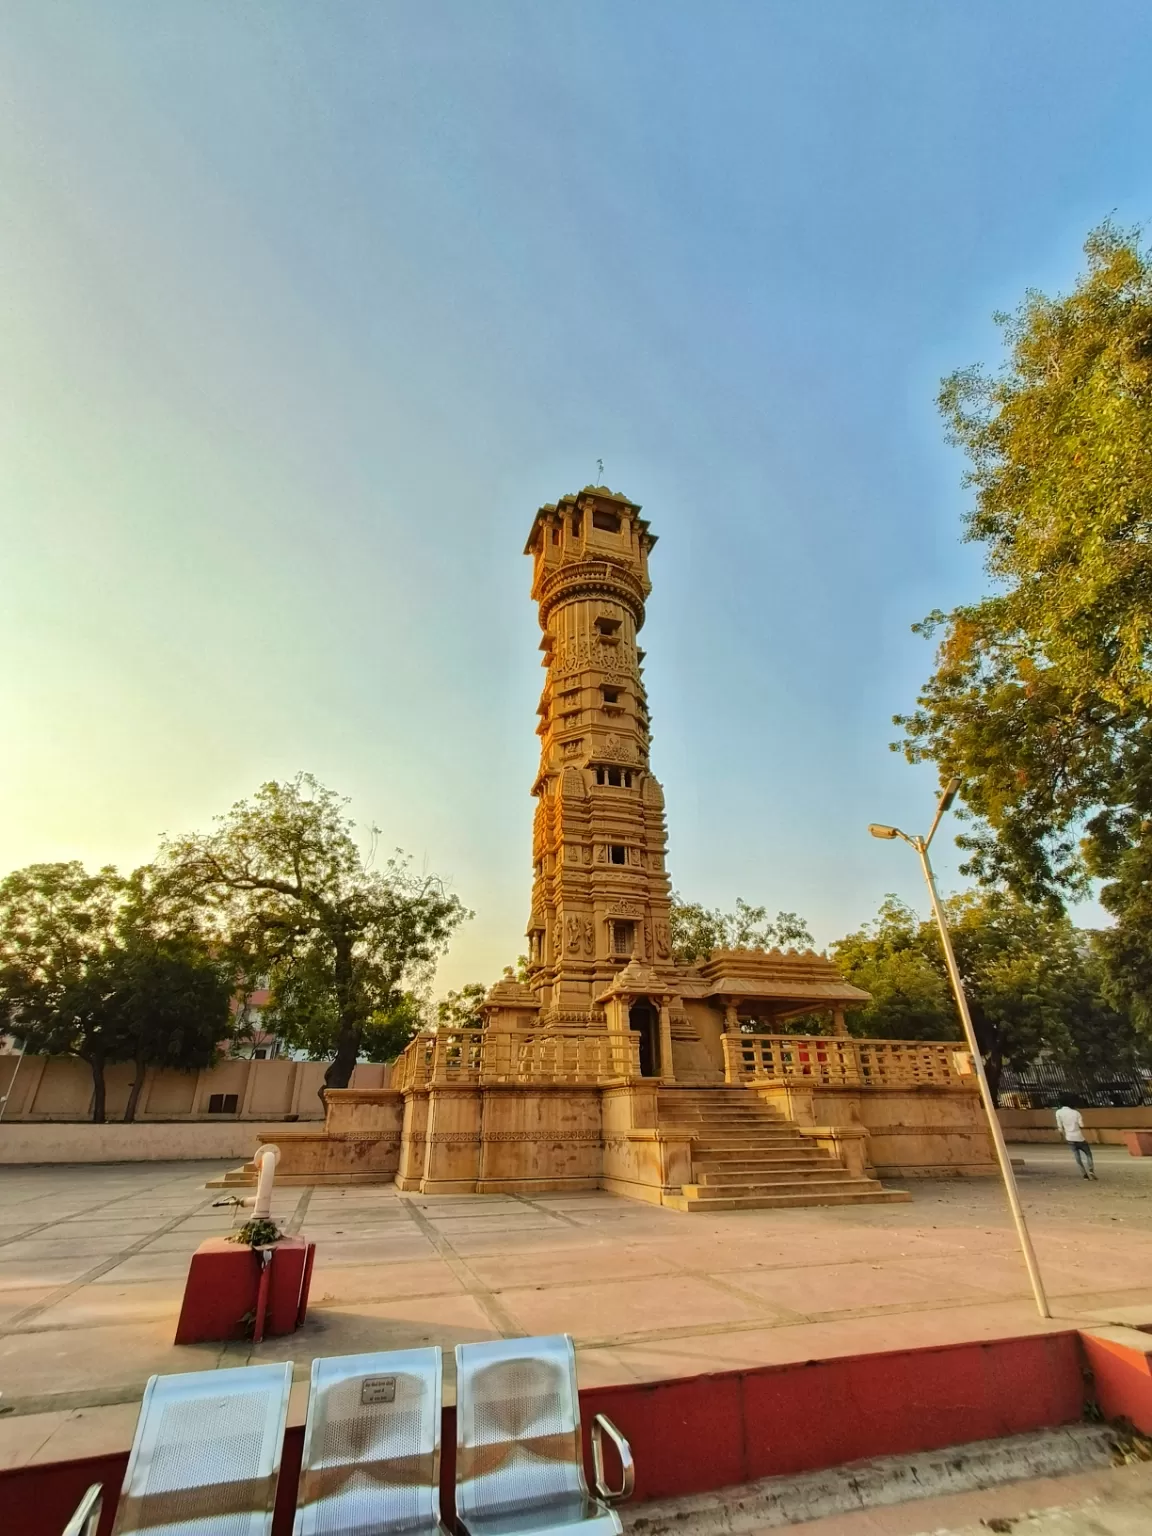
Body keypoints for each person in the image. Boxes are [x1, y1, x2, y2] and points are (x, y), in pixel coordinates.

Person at [1055, 1099, 1097, 1179]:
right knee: (1088, 1154)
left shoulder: (1058, 1112)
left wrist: (1061, 1135)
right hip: (1079, 1137)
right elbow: (1082, 1125)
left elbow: (1059, 1126)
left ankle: (1084, 1175)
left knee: (1077, 1156)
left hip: (1069, 1138)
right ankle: (1091, 1169)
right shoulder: (1076, 1113)